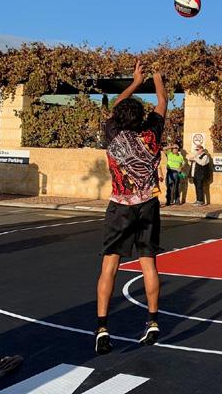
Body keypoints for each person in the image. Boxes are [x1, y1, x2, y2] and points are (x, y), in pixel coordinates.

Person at [96, 61, 168, 354]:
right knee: (148, 263)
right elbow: (162, 101)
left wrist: (136, 81)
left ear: (119, 118)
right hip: (147, 205)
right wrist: (157, 78)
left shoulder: (113, 133)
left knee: (109, 266)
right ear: (141, 117)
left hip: (121, 206)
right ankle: (152, 321)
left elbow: (117, 105)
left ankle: (102, 327)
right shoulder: (151, 134)